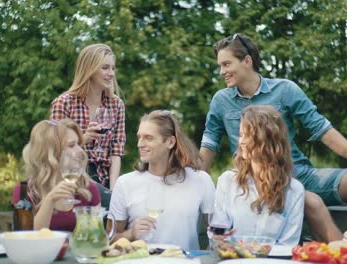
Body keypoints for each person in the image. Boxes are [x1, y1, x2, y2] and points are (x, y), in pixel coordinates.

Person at [200, 33, 347, 241]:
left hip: (298, 173)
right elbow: (209, 145)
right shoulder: (221, 100)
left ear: (247, 61)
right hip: (257, 181)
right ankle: (346, 256)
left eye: (226, 64)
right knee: (311, 202)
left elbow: (321, 129)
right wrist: (197, 184)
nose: (221, 72)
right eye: (220, 66)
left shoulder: (285, 89)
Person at [108, 110, 215, 250]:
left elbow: (217, 233)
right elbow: (108, 239)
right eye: (139, 137)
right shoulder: (125, 183)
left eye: (148, 138)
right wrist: (131, 233)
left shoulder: (200, 180)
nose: (140, 144)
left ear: (170, 142)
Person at [213, 105, 305, 246]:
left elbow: (288, 245)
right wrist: (218, 240)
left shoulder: (294, 190)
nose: (241, 141)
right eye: (240, 135)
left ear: (268, 141)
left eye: (248, 135)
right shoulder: (227, 181)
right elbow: (218, 234)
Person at [51, 43, 126, 191]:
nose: (111, 73)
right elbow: (55, 150)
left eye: (113, 68)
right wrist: (84, 139)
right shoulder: (64, 103)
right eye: (105, 68)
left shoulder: (116, 104)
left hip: (104, 180)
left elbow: (116, 153)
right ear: (89, 70)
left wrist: (113, 191)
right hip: (73, 177)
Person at [12, 119, 101, 231]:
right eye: (72, 145)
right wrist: (50, 200)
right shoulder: (24, 191)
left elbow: (96, 236)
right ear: (51, 153)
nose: (80, 150)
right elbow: (27, 238)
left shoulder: (88, 188)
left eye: (78, 144)